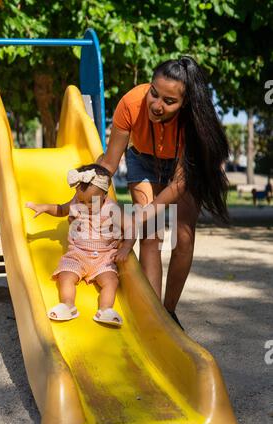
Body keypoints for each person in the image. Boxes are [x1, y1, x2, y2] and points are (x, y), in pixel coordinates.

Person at [97, 56, 230, 329]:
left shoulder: (193, 124)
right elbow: (110, 162)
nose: (156, 105)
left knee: (183, 238)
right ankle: (153, 314)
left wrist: (138, 216)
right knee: (151, 232)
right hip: (142, 159)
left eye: (169, 102)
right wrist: (91, 181)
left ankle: (168, 311)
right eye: (154, 94)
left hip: (182, 171)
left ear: (185, 104)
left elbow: (179, 184)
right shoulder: (131, 102)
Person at [26, 164, 136, 327]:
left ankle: (105, 309)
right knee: (66, 276)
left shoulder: (112, 209)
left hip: (103, 258)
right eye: (82, 200)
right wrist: (45, 207)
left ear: (105, 194)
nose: (86, 205)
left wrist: (126, 247)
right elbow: (62, 210)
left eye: (91, 201)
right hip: (77, 255)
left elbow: (131, 227)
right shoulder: (77, 202)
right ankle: (68, 305)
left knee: (111, 281)